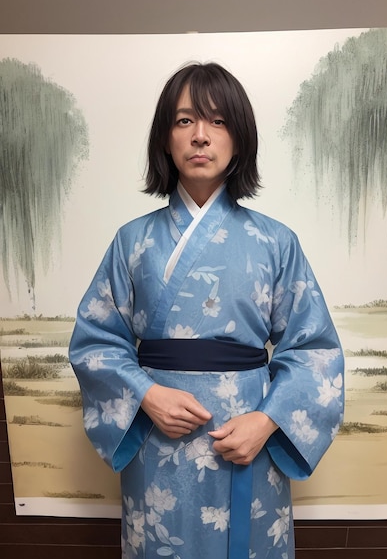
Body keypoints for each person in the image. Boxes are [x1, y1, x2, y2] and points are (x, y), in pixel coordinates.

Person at [69, 62, 344, 559]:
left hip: (249, 440)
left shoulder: (276, 242)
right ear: (165, 140)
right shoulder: (132, 241)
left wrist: (267, 421)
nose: (200, 136)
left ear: (239, 140)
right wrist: (146, 395)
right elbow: (96, 342)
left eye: (218, 122)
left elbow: (313, 351)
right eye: (184, 121)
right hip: (158, 442)